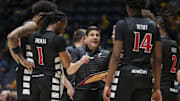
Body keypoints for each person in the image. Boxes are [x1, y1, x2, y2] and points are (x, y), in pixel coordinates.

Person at [103, 0, 162, 101]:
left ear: (128, 7)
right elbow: (157, 59)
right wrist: (157, 87)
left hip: (127, 74)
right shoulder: (153, 26)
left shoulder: (122, 24)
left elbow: (116, 56)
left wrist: (108, 84)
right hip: (145, 75)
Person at [7, 1, 58, 101]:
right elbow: (11, 37)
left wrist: (19, 60)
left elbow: (11, 41)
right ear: (41, 15)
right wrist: (21, 60)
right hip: (28, 77)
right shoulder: (32, 25)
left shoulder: (43, 30)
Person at [28, 10, 71, 101]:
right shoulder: (58, 39)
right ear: (59, 23)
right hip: (50, 79)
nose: (64, 29)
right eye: (64, 25)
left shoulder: (33, 36)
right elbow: (67, 64)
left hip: (34, 78)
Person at [66, 26, 110, 101]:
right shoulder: (78, 51)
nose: (95, 37)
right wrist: (80, 62)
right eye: (92, 35)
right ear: (86, 38)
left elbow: (109, 73)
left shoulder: (106, 53)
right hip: (81, 91)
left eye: (97, 35)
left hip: (99, 92)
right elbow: (69, 71)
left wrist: (108, 80)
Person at [155, 16, 179, 101]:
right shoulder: (174, 44)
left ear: (157, 26)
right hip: (173, 89)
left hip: (160, 88)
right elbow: (178, 70)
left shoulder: (159, 44)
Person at [61, 29, 86, 101]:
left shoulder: (67, 49)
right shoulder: (69, 51)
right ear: (83, 39)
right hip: (68, 91)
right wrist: (69, 87)